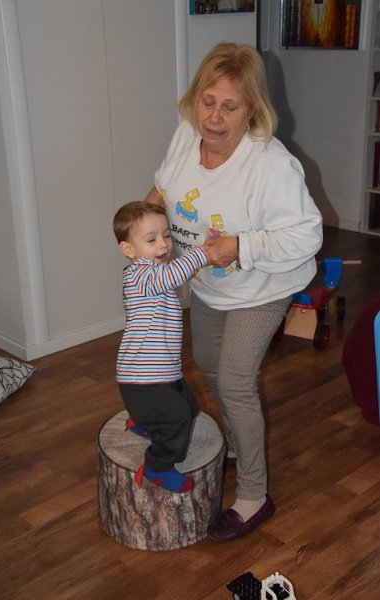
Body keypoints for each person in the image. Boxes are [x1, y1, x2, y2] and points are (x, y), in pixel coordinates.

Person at [144, 43, 323, 540]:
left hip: (263, 285)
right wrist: (143, 233)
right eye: (207, 101)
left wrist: (241, 246)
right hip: (210, 282)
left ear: (252, 111)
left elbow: (308, 235)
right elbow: (162, 189)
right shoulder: (187, 135)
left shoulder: (271, 165)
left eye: (230, 106)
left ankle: (253, 495)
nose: (214, 118)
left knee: (236, 381)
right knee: (208, 361)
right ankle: (240, 443)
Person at [112, 201, 211, 493]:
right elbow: (174, 274)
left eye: (166, 235)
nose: (164, 244)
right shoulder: (140, 276)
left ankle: (143, 423)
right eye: (151, 239)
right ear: (128, 249)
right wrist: (203, 252)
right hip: (142, 376)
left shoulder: (155, 273)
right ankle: (158, 465)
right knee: (177, 416)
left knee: (190, 407)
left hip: (163, 370)